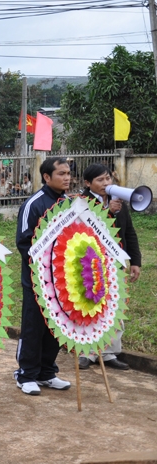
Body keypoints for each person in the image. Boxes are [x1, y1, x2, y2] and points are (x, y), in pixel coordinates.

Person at [15, 156, 73, 396]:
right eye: (61, 173)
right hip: (37, 280)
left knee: (56, 325)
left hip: (62, 280)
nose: (67, 177)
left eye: (69, 173)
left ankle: (47, 372)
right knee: (34, 326)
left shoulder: (69, 203)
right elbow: (23, 242)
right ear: (47, 177)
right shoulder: (34, 204)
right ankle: (26, 374)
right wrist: (47, 263)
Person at [77, 164, 140, 371]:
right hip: (90, 264)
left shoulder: (118, 202)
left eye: (108, 179)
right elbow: (86, 230)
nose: (106, 184)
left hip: (115, 264)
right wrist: (107, 212)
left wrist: (135, 261)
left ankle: (109, 351)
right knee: (89, 306)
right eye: (100, 180)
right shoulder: (81, 203)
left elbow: (128, 232)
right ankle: (86, 352)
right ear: (88, 183)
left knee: (115, 306)